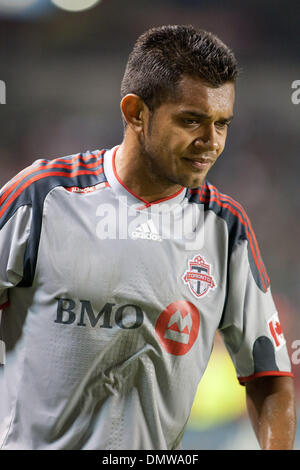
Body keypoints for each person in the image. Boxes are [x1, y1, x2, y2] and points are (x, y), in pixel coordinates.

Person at [0, 25, 296, 450]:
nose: (210, 142)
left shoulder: (225, 227)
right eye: (191, 120)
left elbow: (271, 378)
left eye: (222, 124)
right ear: (136, 112)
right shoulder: (43, 198)